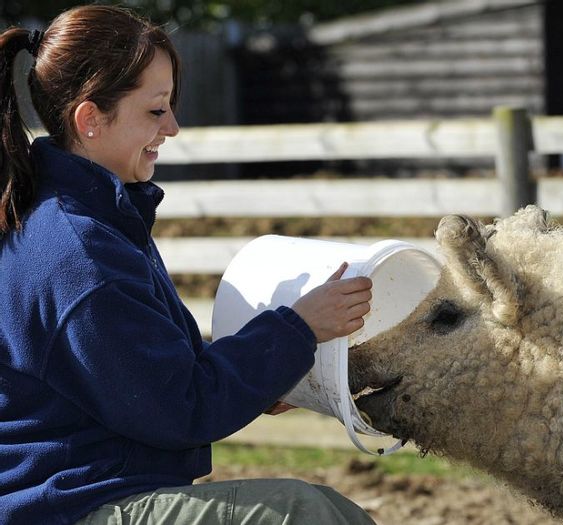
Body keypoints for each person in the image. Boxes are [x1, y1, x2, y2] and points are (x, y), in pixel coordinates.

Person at [0, 6, 377, 524]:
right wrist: (300, 329)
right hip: (73, 507)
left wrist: (267, 379)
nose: (173, 127)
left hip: (88, 493)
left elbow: (145, 367)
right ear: (89, 120)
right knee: (304, 514)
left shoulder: (84, 219)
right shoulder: (81, 254)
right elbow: (181, 407)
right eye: (157, 111)